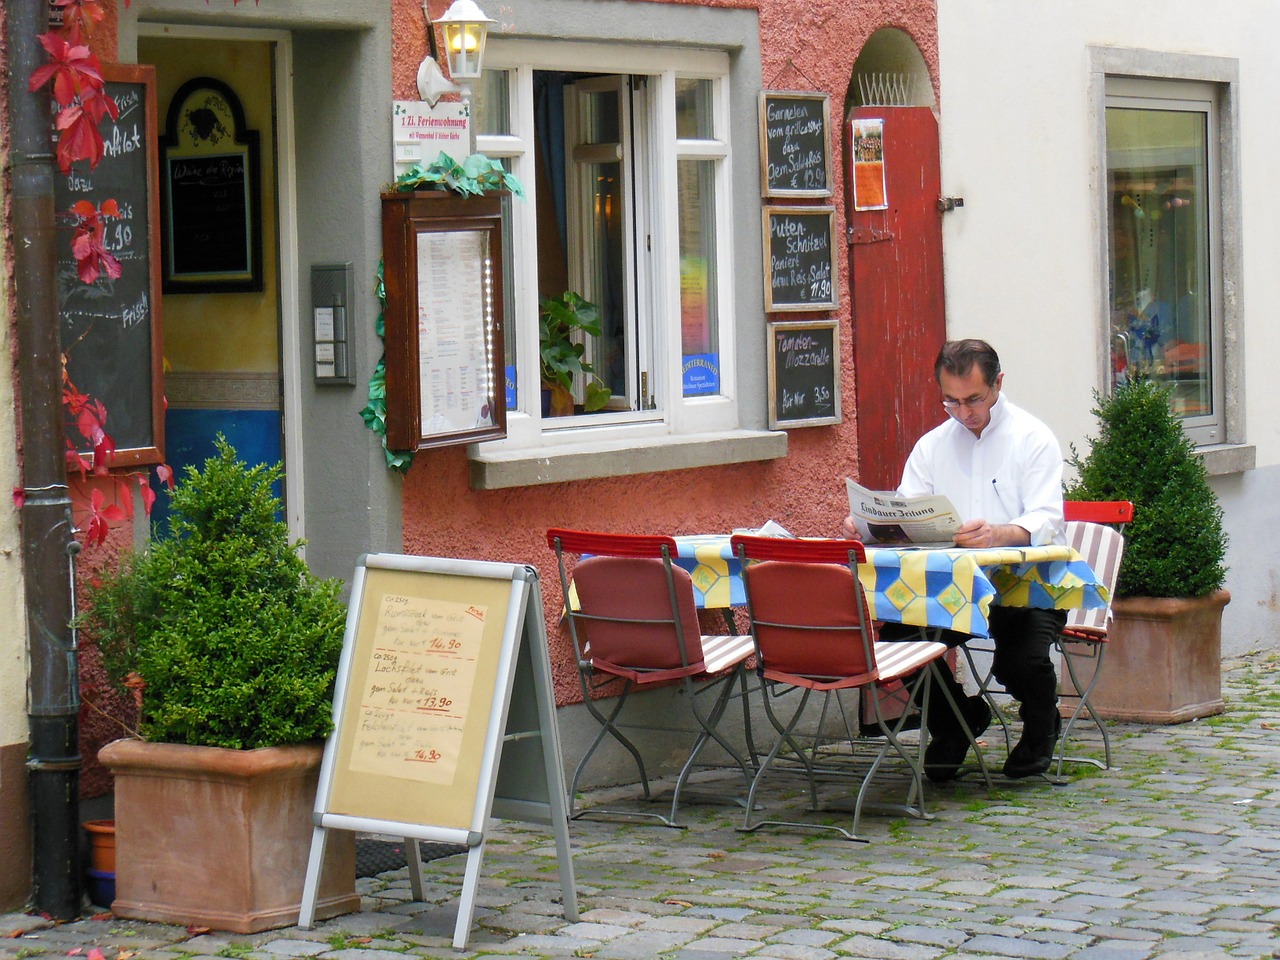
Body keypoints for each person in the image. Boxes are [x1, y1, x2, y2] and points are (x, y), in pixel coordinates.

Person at [843, 339, 1066, 781]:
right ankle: (956, 722)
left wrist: (999, 533)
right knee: (900, 643)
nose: (964, 412)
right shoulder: (932, 445)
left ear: (998, 383)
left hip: (1023, 583)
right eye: (951, 401)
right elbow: (907, 509)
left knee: (1018, 661)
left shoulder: (1033, 438)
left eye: (974, 400)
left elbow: (1047, 517)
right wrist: (871, 525)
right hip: (947, 587)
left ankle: (1042, 723)